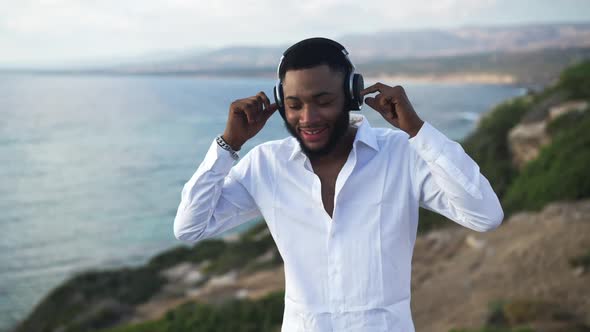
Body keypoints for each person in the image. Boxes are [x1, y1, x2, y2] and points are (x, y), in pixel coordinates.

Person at [173, 37, 504, 332]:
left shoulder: (402, 155)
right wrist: (228, 145)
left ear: (351, 95)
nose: (308, 117)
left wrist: (418, 131)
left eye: (324, 101)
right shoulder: (266, 165)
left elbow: (485, 215)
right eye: (294, 104)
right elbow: (190, 227)